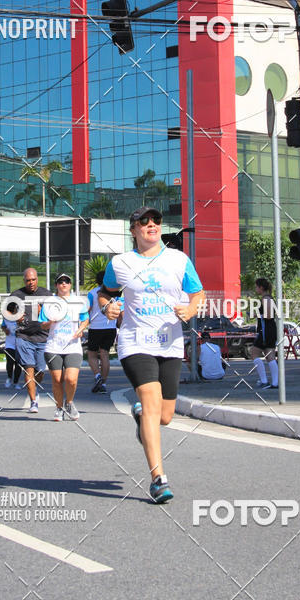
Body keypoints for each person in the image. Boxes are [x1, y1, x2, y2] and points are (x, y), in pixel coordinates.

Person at [100, 206, 205, 504]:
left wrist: (191, 308)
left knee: (166, 416)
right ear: (133, 230)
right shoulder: (120, 263)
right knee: (149, 400)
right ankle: (158, 478)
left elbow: (198, 293)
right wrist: (108, 307)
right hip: (135, 343)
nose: (151, 225)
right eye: (143, 222)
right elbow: (105, 292)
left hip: (169, 343)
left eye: (156, 220)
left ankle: (142, 418)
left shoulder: (178, 259)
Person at [42, 273, 89, 421]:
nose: (64, 284)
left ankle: (69, 402)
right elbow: (42, 324)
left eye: (67, 281)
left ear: (70, 285)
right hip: (53, 346)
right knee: (57, 379)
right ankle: (59, 408)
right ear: (56, 285)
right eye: (60, 281)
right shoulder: (50, 302)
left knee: (71, 379)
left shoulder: (77, 301)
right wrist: (50, 322)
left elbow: (85, 319)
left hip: (72, 346)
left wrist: (81, 330)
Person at [8, 268, 51, 413]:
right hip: (24, 337)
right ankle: (33, 401)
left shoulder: (47, 294)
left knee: (40, 370)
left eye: (33, 280)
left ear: (37, 279)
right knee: (29, 368)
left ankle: (34, 389)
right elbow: (6, 311)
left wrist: (43, 311)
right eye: (28, 280)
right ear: (24, 280)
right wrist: (15, 316)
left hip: (43, 338)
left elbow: (56, 312)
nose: (31, 283)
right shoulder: (16, 295)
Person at [87, 270, 118, 394]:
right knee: (105, 354)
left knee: (92, 354)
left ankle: (97, 376)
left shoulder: (92, 293)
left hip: (95, 327)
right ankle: (103, 383)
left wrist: (85, 322)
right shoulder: (115, 293)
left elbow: (87, 309)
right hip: (111, 327)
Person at [251, 278, 278, 390]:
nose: (256, 289)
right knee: (269, 355)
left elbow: (267, 315)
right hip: (269, 329)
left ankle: (264, 380)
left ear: (261, 287)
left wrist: (256, 313)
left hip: (266, 329)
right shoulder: (268, 298)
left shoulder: (266, 299)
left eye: (256, 286)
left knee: (254, 353)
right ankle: (275, 383)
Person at [1, 314, 22, 389]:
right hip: (9, 344)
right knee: (10, 362)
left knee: (18, 364)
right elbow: (3, 326)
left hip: (19, 344)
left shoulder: (21, 317)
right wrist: (5, 330)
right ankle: (9, 377)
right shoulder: (6, 318)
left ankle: (16, 382)